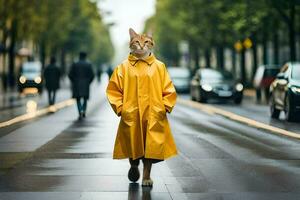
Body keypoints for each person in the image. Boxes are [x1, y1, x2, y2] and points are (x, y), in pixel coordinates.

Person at [106, 28, 177, 187]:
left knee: (150, 146)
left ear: (151, 44)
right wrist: (121, 108)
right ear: (131, 44)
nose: (141, 45)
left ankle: (147, 175)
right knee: (133, 143)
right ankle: (133, 165)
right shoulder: (123, 67)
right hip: (131, 113)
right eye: (137, 42)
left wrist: (164, 107)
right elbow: (113, 89)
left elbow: (169, 89)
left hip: (153, 113)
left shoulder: (159, 66)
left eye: (146, 42)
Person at [68, 52, 94, 120]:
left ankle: (80, 111)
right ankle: (84, 111)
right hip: (86, 83)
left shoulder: (75, 64)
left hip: (77, 83)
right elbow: (92, 75)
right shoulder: (88, 64)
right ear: (85, 57)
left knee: (78, 99)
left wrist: (74, 81)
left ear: (79, 56)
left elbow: (70, 74)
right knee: (85, 99)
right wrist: (88, 82)